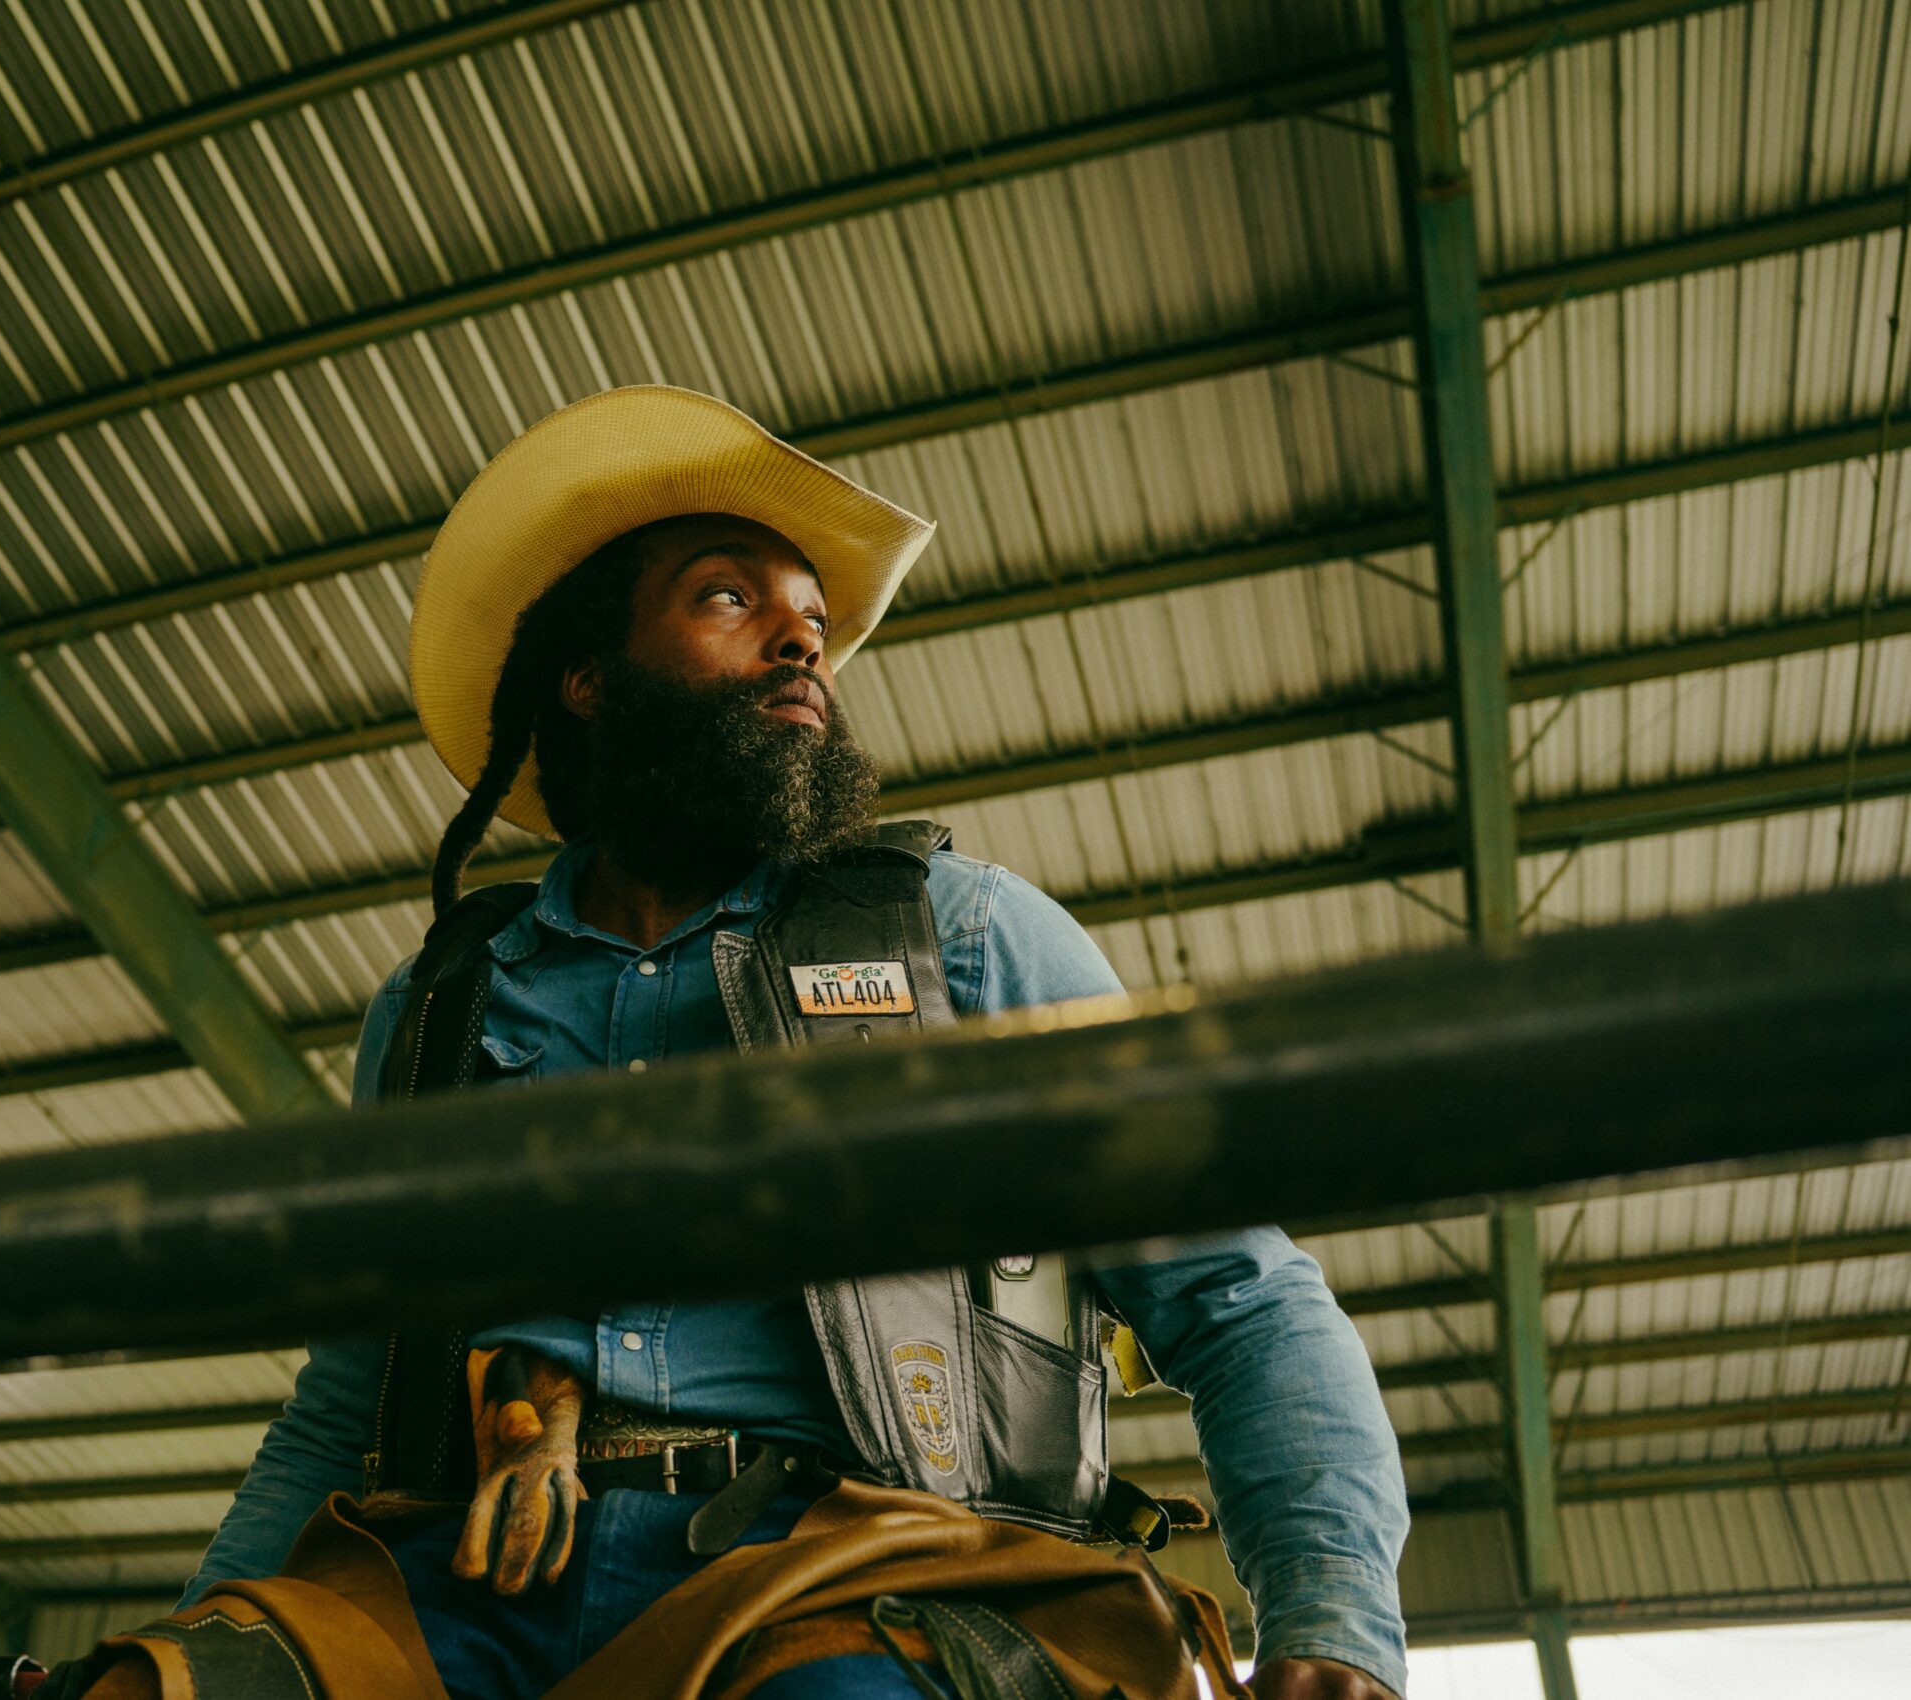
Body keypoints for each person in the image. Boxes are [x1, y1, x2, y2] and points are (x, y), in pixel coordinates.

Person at [180, 387, 1409, 1699]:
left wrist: (1331, 1621)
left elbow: (1238, 1299)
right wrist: (209, 1620)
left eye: (814, 621)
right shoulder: (445, 1004)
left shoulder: (965, 936)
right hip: (464, 1588)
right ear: (587, 679)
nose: (799, 645)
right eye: (728, 601)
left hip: (847, 1574)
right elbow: (350, 1389)